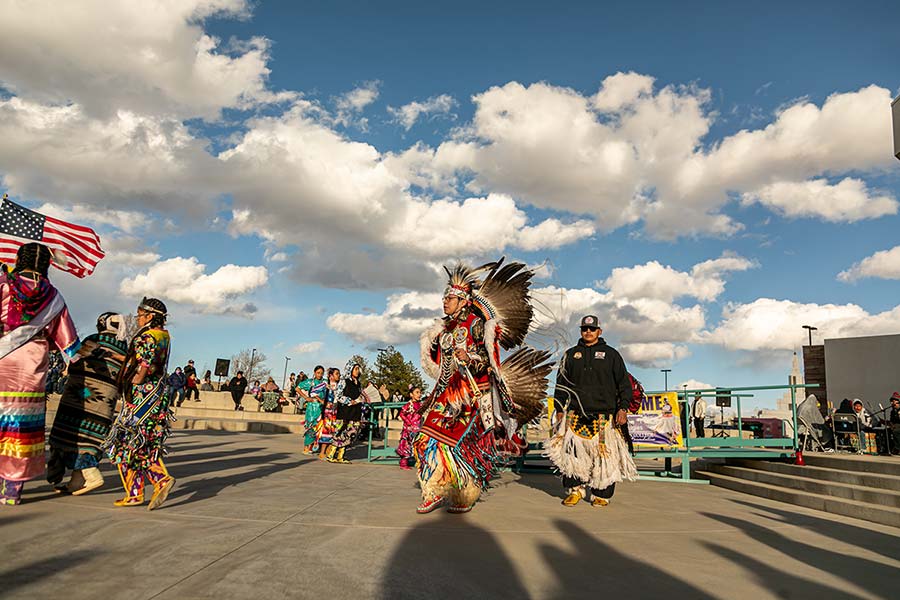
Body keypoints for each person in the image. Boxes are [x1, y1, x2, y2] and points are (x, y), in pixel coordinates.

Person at [414, 260, 550, 514]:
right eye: (445, 297)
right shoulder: (445, 329)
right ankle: (435, 490)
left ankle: (462, 494)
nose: (445, 302)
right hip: (446, 393)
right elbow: (438, 365)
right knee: (425, 439)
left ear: (464, 300)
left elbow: (489, 360)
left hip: (470, 394)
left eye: (451, 298)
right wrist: (431, 344)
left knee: (454, 445)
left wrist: (472, 358)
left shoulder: (477, 325)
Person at [0, 243, 80, 505]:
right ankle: (12, 489)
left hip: (3, 356)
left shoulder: (3, 283)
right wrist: (77, 358)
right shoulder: (54, 296)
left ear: (18, 258)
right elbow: (66, 337)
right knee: (20, 424)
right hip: (31, 363)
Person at [545, 315, 638, 508]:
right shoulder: (571, 355)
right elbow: (561, 385)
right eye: (585, 329)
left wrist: (623, 408)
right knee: (571, 455)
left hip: (604, 415)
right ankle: (575, 490)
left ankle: (601, 494)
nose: (588, 332)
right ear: (581, 331)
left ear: (599, 331)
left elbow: (623, 384)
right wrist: (559, 408)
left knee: (605, 456)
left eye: (592, 329)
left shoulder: (611, 355)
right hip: (575, 414)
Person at [102, 297, 176, 510]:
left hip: (140, 397)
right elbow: (142, 358)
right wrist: (116, 355)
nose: (138, 319)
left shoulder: (148, 336)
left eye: (140, 315)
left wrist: (139, 377)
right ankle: (136, 493)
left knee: (125, 441)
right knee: (141, 442)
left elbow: (145, 361)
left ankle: (158, 480)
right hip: (156, 395)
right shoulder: (164, 335)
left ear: (150, 316)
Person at [47, 312, 128, 495]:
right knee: (91, 438)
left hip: (81, 397)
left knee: (71, 434)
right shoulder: (124, 347)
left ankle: (92, 475)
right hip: (105, 402)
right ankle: (76, 481)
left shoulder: (94, 339)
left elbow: (76, 362)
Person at [327, 361, 366, 464]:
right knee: (340, 433)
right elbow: (338, 395)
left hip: (355, 412)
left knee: (351, 433)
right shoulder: (344, 381)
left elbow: (360, 395)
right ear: (350, 369)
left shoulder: (358, 383)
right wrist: (349, 401)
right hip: (345, 412)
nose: (357, 371)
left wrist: (360, 400)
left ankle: (341, 456)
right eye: (355, 369)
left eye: (358, 369)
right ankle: (331, 454)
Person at [297, 366, 327, 455]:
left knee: (319, 427)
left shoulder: (324, 382)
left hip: (321, 407)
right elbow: (297, 388)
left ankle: (314, 446)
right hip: (312, 407)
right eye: (318, 372)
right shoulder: (310, 382)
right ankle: (306, 447)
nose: (320, 375)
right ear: (314, 372)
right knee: (310, 426)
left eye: (321, 373)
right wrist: (306, 397)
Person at [317, 367, 342, 460]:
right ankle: (322, 452)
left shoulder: (339, 387)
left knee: (333, 432)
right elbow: (313, 392)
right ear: (331, 376)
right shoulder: (325, 385)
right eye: (337, 374)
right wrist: (322, 401)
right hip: (328, 412)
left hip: (336, 412)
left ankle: (329, 451)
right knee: (326, 431)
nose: (339, 376)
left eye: (339, 374)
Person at [397, 386, 424, 469]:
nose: (419, 394)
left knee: (419, 446)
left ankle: (420, 462)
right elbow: (401, 414)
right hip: (409, 430)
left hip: (418, 429)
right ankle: (403, 464)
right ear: (411, 394)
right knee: (406, 446)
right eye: (417, 392)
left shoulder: (421, 404)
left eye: (420, 392)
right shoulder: (408, 405)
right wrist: (408, 423)